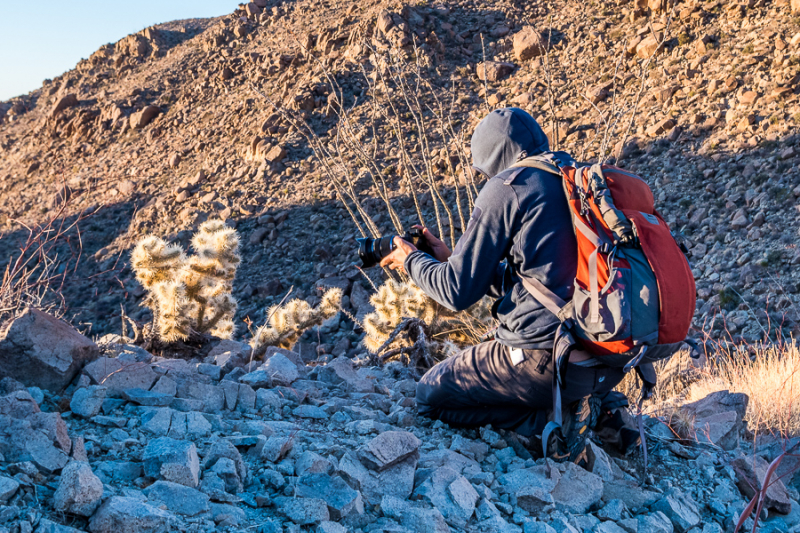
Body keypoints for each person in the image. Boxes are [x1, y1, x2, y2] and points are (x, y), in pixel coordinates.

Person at [379, 107, 637, 461]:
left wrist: (411, 259)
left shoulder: (508, 187)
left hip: (541, 362)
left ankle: (549, 419)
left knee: (430, 395)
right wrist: (451, 257)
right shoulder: (577, 180)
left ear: (494, 157)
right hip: (605, 357)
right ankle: (603, 406)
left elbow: (456, 292)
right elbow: (539, 284)